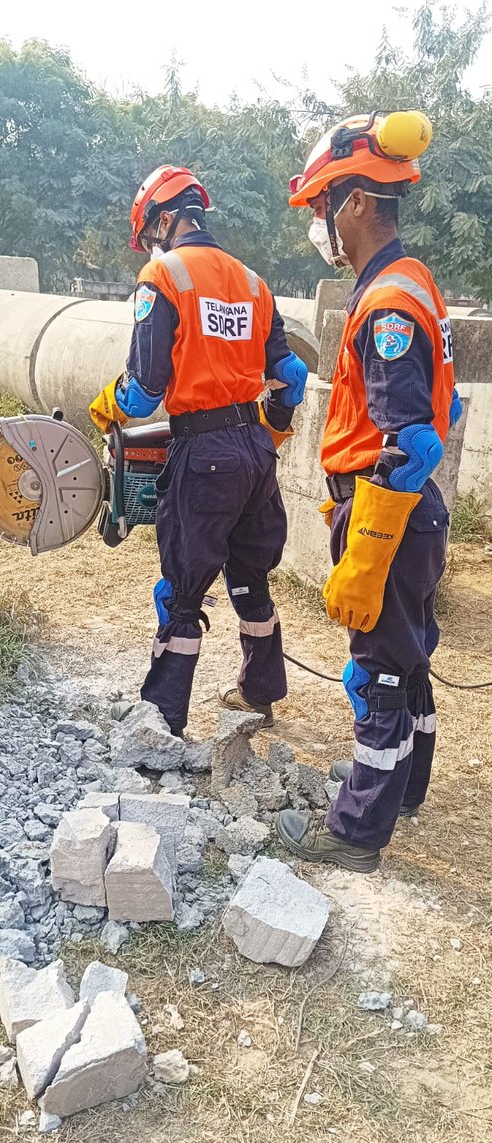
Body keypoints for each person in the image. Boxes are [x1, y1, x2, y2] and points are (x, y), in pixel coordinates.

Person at [276, 111, 460, 873]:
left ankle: (355, 831)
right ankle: (402, 790)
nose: (321, 222)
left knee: (377, 672)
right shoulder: (411, 281)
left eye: (324, 205)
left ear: (356, 202)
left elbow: (412, 439)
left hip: (387, 510)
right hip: (414, 517)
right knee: (407, 658)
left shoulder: (385, 301)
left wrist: (366, 551)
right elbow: (439, 411)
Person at [90, 165, 308, 736]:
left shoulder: (163, 275)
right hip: (255, 449)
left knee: (182, 589)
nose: (151, 246)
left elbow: (143, 393)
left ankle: (163, 719)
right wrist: (270, 436)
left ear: (164, 220)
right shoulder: (253, 282)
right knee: (250, 575)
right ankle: (260, 691)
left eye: (150, 234)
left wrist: (106, 406)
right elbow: (292, 376)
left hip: (203, 451)